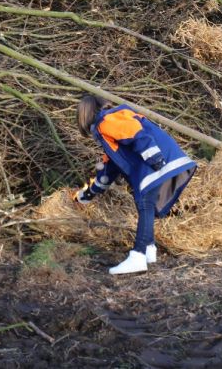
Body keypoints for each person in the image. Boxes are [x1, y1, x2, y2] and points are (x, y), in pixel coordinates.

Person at [76, 95, 197, 275]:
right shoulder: (110, 124)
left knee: (145, 204)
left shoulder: (107, 121)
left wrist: (155, 159)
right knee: (145, 203)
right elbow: (110, 167)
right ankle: (149, 250)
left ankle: (138, 256)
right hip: (161, 160)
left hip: (157, 161)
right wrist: (89, 193)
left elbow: (135, 133)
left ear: (85, 115)